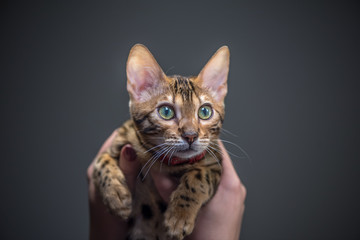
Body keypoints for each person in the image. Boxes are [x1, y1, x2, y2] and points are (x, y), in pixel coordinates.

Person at [87, 131, 247, 240]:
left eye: (203, 112)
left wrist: (187, 200)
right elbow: (103, 162)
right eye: (166, 112)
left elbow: (212, 171)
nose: (191, 133)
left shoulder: (206, 150)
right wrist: (107, 180)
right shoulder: (131, 134)